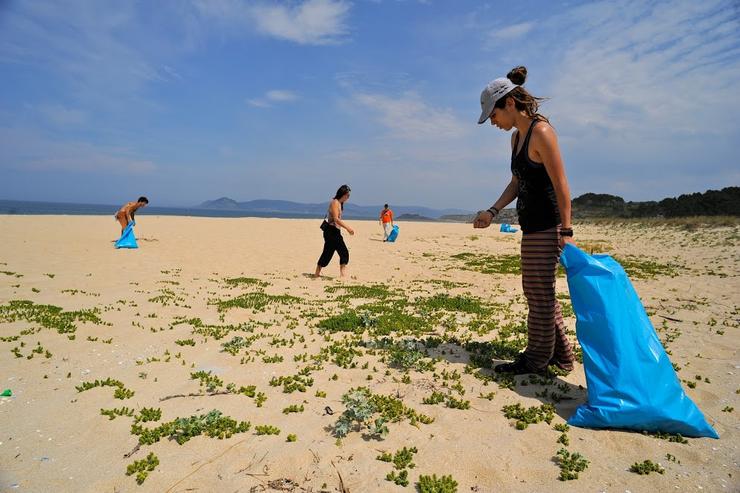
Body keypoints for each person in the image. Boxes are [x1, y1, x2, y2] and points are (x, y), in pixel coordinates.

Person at [473, 66, 576, 375]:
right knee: (540, 291)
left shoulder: (541, 132)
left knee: (538, 294)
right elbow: (517, 182)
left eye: (493, 115)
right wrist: (492, 211)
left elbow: (561, 184)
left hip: (548, 225)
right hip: (531, 226)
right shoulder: (517, 137)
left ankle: (536, 360)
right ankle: (563, 356)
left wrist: (566, 231)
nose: (492, 122)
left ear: (508, 104)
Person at [315, 185, 354, 278]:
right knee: (342, 252)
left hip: (334, 232)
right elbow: (336, 219)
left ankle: (317, 273)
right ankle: (342, 275)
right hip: (331, 231)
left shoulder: (340, 204)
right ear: (343, 194)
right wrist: (348, 228)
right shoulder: (335, 203)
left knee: (328, 252)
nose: (348, 198)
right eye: (347, 195)